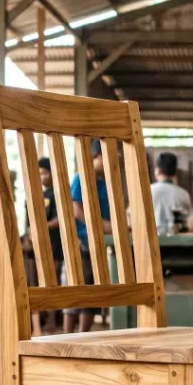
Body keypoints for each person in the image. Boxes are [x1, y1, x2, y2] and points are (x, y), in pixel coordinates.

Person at [66, 139, 112, 333]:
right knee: (77, 290)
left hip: (98, 242)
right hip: (81, 241)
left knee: (94, 290)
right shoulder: (80, 178)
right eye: (107, 157)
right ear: (97, 156)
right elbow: (76, 210)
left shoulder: (102, 182)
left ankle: (84, 335)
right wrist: (101, 225)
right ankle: (67, 337)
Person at [36, 156, 63, 332]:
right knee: (43, 282)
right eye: (40, 174)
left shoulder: (57, 194)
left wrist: (41, 227)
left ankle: (53, 320)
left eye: (45, 173)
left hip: (55, 246)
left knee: (52, 282)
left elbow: (61, 219)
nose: (42, 177)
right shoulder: (39, 195)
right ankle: (44, 319)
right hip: (41, 246)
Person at [150, 152, 192, 236]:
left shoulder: (147, 191)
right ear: (175, 173)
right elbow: (184, 222)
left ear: (158, 171)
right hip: (175, 241)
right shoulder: (184, 194)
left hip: (150, 239)